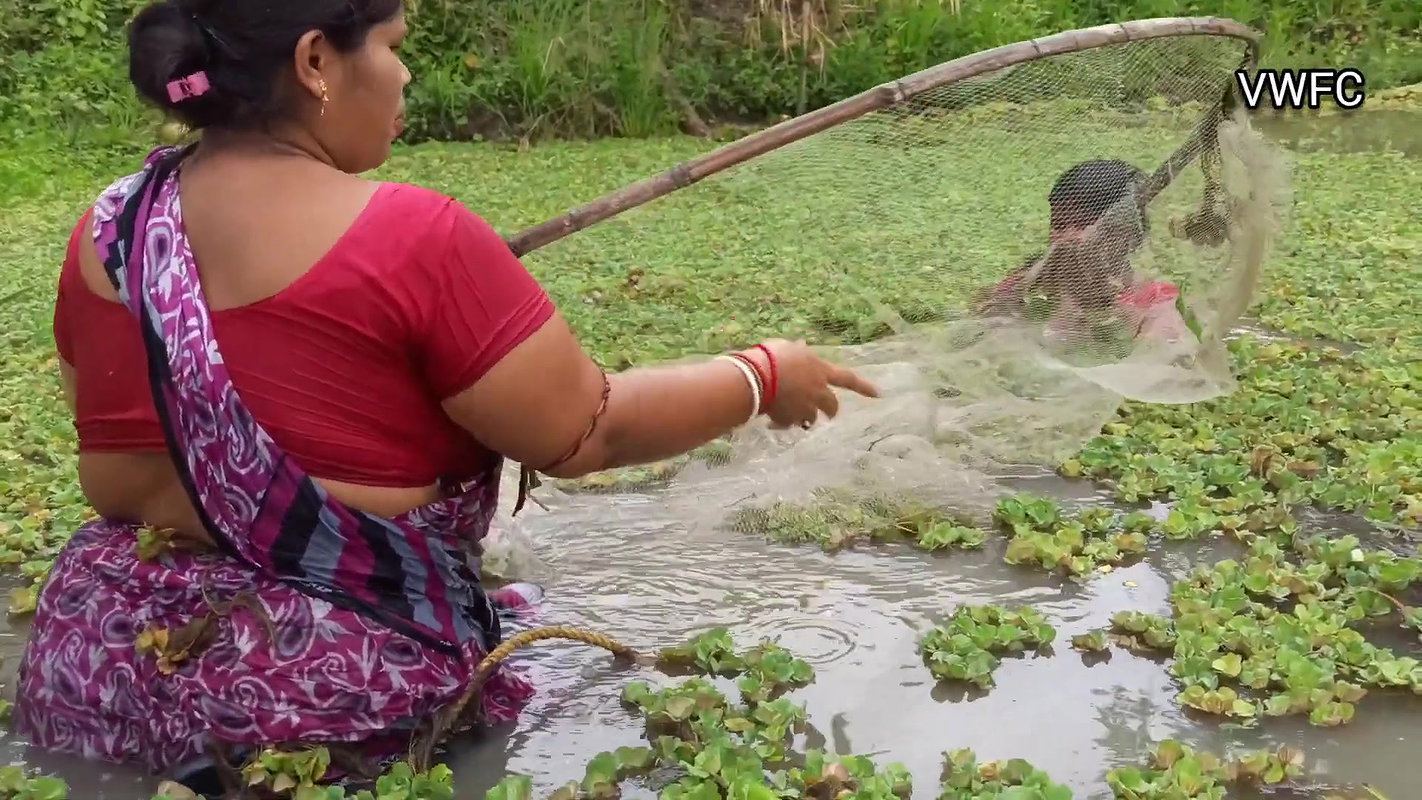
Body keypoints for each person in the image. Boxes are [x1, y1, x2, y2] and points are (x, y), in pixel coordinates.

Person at [16, 0, 878, 793]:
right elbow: (592, 432)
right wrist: (764, 374)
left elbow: (120, 416)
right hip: (314, 703)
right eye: (394, 46)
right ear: (317, 60)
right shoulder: (415, 239)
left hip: (95, 670)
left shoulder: (109, 229)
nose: (406, 74)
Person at [972, 159, 1190, 348]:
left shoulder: (1153, 298)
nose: (1065, 237)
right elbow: (980, 327)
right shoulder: (1027, 287)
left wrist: (1109, 312)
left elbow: (1167, 351)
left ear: (1125, 234)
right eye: (1058, 224)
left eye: (1080, 224)